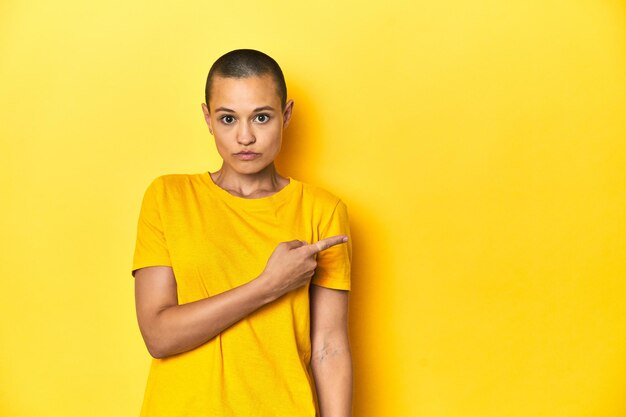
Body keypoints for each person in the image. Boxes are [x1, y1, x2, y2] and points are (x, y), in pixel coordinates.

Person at [131, 49, 353, 417]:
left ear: (286, 115)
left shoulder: (321, 209)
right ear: (207, 117)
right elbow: (158, 335)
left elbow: (330, 346)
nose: (245, 136)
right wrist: (269, 285)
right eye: (228, 118)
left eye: (261, 117)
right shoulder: (168, 197)